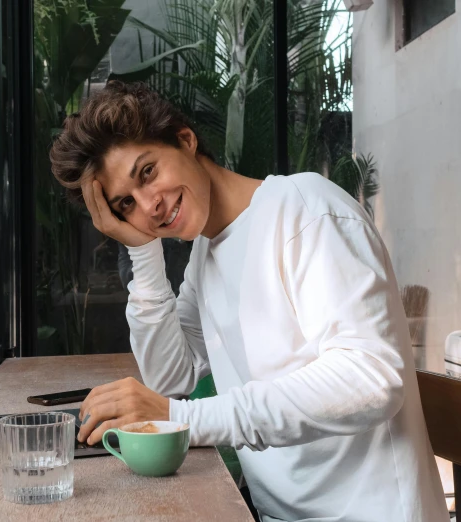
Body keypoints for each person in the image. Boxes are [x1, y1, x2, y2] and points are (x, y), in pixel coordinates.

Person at [49, 81, 447, 522]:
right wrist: (142, 250)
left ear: (185, 140)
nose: (151, 205)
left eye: (147, 172)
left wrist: (186, 418)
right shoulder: (206, 252)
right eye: (126, 204)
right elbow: (170, 377)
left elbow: (372, 379)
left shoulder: (305, 210)